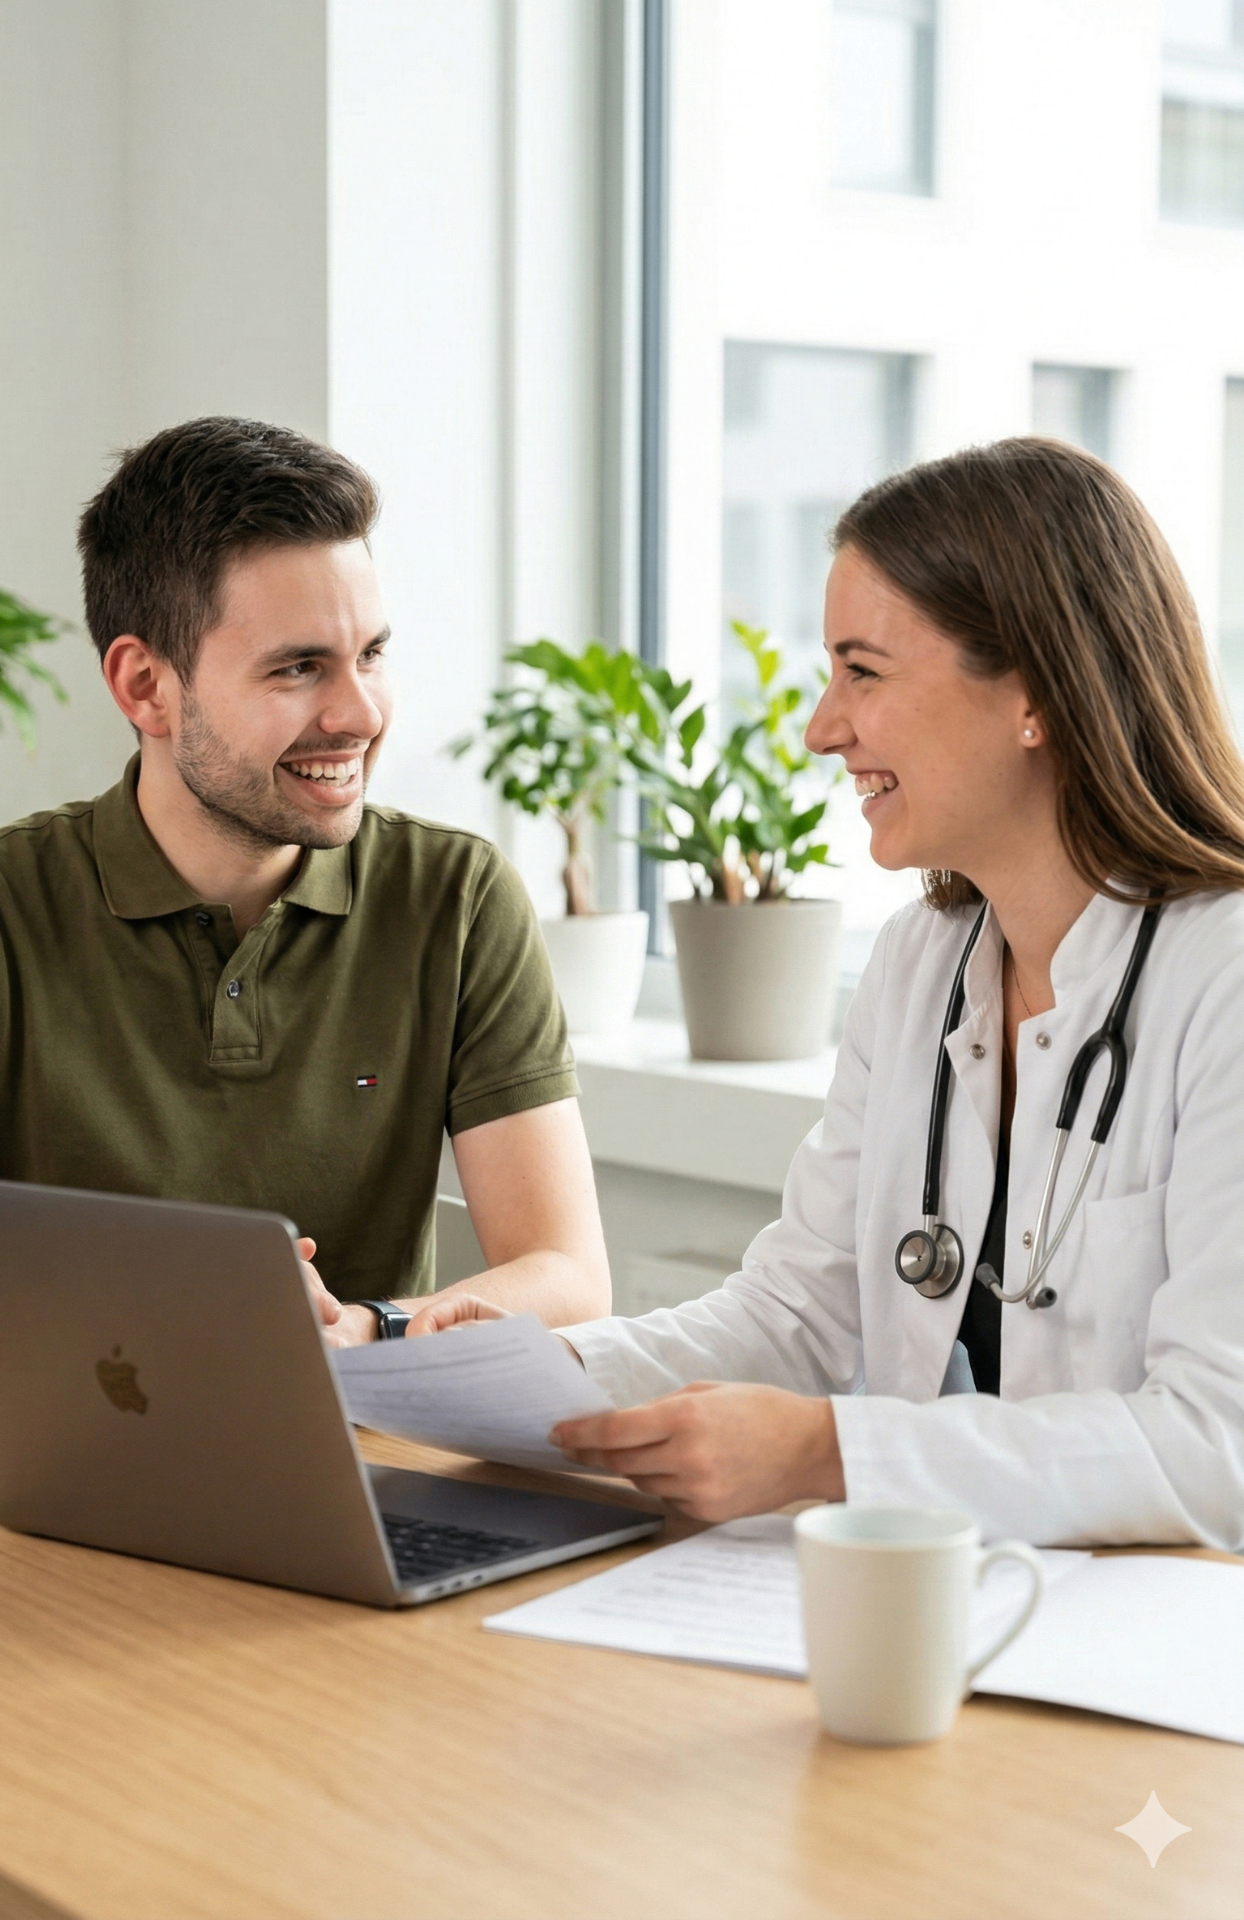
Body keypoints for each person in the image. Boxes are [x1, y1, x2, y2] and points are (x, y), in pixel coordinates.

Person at [0, 417, 610, 1920]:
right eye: (298, 667)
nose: (358, 709)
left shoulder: (457, 898)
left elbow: (565, 1269)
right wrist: (151, 1359)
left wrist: (360, 1332)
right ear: (144, 686)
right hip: (49, 1559)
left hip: (343, 1550)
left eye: (371, 652)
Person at [433, 436, 1244, 1553]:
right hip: (964, 1611)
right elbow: (794, 1315)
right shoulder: (927, 962)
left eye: (863, 672)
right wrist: (503, 1377)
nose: (821, 727)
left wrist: (830, 1452)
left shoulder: (1225, 979)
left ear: (1037, 694)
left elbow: (1219, 1449)